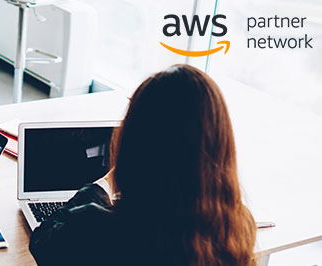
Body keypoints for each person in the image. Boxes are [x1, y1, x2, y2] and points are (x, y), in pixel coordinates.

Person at [29, 64, 257, 265]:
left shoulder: (95, 227)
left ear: (133, 145)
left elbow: (42, 242)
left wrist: (102, 184)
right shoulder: (236, 228)